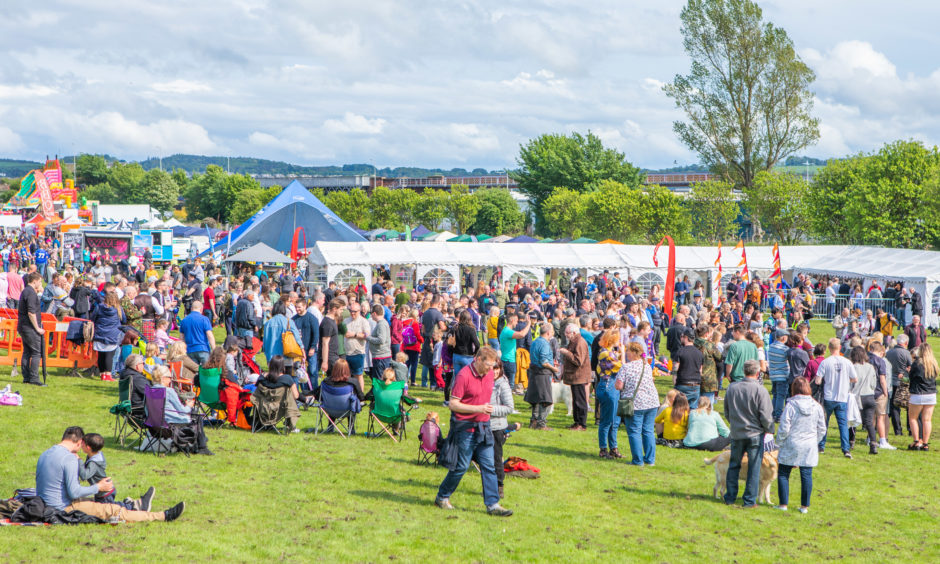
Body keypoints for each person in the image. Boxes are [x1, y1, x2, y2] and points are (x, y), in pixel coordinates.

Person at [36, 426, 185, 522]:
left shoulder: (45, 453)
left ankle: (135, 505)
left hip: (46, 504)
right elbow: (74, 492)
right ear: (79, 442)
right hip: (63, 508)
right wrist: (98, 487)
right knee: (113, 511)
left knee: (98, 503)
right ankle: (162, 516)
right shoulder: (68, 458)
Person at [435, 346, 513, 517]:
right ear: (478, 360)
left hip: (484, 427)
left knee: (489, 466)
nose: (492, 370)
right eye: (488, 365)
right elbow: (453, 404)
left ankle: (493, 504)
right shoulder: (464, 375)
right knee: (461, 466)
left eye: (493, 366)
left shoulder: (491, 374)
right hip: (465, 428)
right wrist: (478, 409)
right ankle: (442, 496)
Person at [723, 359, 774, 508]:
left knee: (734, 465)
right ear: (757, 372)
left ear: (743, 371)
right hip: (755, 434)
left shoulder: (732, 388)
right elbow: (766, 415)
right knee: (753, 467)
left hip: (738, 432)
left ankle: (730, 497)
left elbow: (727, 411)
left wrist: (734, 424)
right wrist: (768, 429)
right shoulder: (760, 390)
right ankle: (749, 500)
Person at [775, 377, 826, 513]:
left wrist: (779, 442)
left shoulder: (790, 405)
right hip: (809, 444)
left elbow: (784, 427)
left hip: (792, 442)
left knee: (784, 473)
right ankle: (805, 506)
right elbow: (822, 429)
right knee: (806, 474)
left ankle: (783, 504)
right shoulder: (817, 406)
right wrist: (814, 441)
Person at [78, 432, 153, 510]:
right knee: (105, 506)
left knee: (110, 509)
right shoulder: (96, 455)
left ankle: (135, 505)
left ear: (88, 448)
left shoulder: (94, 463)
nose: (80, 445)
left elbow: (84, 476)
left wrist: (79, 460)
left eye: (82, 443)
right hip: (104, 492)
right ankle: (127, 503)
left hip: (105, 493)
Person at [615, 342, 659, 466]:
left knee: (634, 431)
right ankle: (650, 460)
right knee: (648, 431)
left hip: (635, 403)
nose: (626, 353)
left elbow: (618, 385)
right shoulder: (647, 366)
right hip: (652, 402)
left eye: (628, 351)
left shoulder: (626, 367)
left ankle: (637, 460)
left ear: (634, 352)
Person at [150, 366, 213, 454]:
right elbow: (183, 410)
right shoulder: (168, 391)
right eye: (169, 378)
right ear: (163, 378)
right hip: (170, 424)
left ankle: (196, 442)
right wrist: (189, 405)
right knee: (196, 416)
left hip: (154, 425)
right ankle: (202, 447)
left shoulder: (149, 391)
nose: (170, 380)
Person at [814, 338, 857, 458]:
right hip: (842, 396)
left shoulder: (825, 362)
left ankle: (821, 445)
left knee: (824, 422)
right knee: (843, 424)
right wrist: (845, 380)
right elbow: (855, 378)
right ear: (839, 348)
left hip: (828, 396)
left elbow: (818, 380)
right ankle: (846, 449)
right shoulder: (847, 362)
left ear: (829, 348)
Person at [488, 360, 521, 499]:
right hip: (481, 425)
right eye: (493, 368)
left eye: (497, 368)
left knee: (496, 459)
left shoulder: (503, 384)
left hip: (497, 427)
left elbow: (509, 407)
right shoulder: (484, 380)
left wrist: (491, 410)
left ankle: (499, 486)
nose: (495, 371)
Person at [254, 355, 301, 432]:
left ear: (270, 365)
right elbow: (296, 395)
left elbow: (256, 392)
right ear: (282, 366)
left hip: (262, 408)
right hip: (279, 409)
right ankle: (291, 426)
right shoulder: (287, 379)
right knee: (290, 397)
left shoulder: (262, 378)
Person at [595, 329, 623, 458]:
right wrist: (622, 353)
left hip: (612, 387)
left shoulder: (609, 352)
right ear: (612, 340)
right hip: (607, 387)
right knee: (606, 421)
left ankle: (613, 448)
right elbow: (621, 367)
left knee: (615, 420)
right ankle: (603, 449)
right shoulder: (606, 354)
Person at [525, 322, 558, 430]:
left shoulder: (535, 342)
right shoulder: (544, 344)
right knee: (546, 400)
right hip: (542, 373)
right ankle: (541, 423)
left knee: (535, 399)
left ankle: (533, 421)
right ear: (548, 333)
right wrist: (554, 369)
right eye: (552, 331)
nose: (553, 333)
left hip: (534, 373)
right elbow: (544, 362)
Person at [560, 323, 591, 431]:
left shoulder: (580, 342)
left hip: (580, 377)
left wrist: (567, 353)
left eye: (567, 333)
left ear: (574, 333)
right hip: (576, 377)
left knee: (580, 401)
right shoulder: (575, 341)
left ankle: (582, 424)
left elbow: (578, 361)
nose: (566, 335)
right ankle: (577, 422)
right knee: (575, 400)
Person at [849, 346, 879, 455]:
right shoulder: (871, 367)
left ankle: (851, 441)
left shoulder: (853, 367)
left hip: (857, 396)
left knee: (852, 420)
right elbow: (873, 384)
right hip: (870, 396)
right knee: (869, 423)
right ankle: (873, 444)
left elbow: (850, 384)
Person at [907, 343, 938, 451]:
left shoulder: (917, 363)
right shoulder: (933, 363)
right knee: (927, 420)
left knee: (913, 418)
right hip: (931, 394)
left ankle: (916, 442)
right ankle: (925, 443)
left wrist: (908, 372)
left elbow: (911, 377)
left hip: (918, 393)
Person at [90, 291, 126, 382]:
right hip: (112, 334)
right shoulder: (118, 309)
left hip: (100, 333)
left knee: (101, 355)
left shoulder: (99, 307)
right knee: (109, 355)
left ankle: (102, 374)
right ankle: (108, 374)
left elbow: (92, 318)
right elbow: (124, 320)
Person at [17, 272, 44, 386]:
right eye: (40, 281)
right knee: (36, 353)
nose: (40, 283)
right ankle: (34, 378)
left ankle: (26, 377)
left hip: (23, 326)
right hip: (30, 327)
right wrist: (37, 328)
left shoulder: (25, 291)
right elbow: (31, 312)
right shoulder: (31, 293)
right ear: (35, 281)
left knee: (27, 352)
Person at [885, 334, 912, 437]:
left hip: (892, 382)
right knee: (909, 406)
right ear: (906, 343)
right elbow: (910, 366)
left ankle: (898, 430)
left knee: (894, 407)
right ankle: (910, 429)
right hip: (904, 382)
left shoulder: (889, 352)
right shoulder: (906, 353)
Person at [498, 311, 530, 390]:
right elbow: (522, 334)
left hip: (506, 360)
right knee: (510, 386)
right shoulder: (507, 331)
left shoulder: (505, 330)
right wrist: (528, 323)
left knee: (506, 385)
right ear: (512, 320)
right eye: (516, 321)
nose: (517, 323)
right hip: (509, 361)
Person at [672, 329, 703, 409]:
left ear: (686, 337)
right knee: (693, 409)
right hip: (696, 384)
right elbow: (700, 370)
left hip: (683, 383)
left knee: (679, 409)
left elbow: (676, 367)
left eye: (681, 337)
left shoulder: (680, 351)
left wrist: (674, 379)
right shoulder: (699, 353)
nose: (680, 339)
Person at [293, 298, 320, 389]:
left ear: (305, 306)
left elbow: (316, 334)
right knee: (301, 372)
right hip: (299, 351)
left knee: (312, 371)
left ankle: (314, 390)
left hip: (310, 349)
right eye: (296, 307)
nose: (297, 309)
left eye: (299, 307)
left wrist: (313, 347)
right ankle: (304, 391)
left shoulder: (312, 319)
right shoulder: (294, 319)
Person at [344, 301, 371, 389]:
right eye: (351, 311)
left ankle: (360, 396)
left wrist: (354, 334)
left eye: (354, 312)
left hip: (358, 352)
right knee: (346, 376)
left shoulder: (364, 321)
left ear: (359, 311)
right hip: (347, 353)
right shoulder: (346, 321)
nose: (352, 313)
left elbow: (367, 335)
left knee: (358, 375)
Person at [179, 301, 215, 365]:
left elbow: (181, 337)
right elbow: (209, 335)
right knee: (206, 371)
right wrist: (214, 348)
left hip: (190, 350)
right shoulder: (204, 319)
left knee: (193, 372)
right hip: (203, 348)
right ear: (201, 309)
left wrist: (183, 349)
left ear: (191, 309)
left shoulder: (184, 320)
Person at [767, 329, 791, 422]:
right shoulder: (785, 349)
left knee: (775, 395)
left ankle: (773, 413)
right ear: (784, 337)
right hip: (782, 375)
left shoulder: (771, 347)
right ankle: (778, 415)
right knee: (781, 396)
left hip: (773, 375)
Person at [452, 310, 480, 381]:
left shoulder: (455, 328)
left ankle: (456, 391)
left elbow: (450, 342)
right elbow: (477, 344)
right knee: (467, 378)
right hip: (468, 355)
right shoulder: (471, 329)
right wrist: (475, 353)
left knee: (457, 378)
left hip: (456, 354)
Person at [319, 299, 344, 379]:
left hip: (334, 355)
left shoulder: (333, 320)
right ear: (334, 309)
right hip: (330, 357)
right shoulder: (328, 323)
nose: (342, 311)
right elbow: (325, 343)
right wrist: (325, 362)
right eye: (341, 309)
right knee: (334, 380)